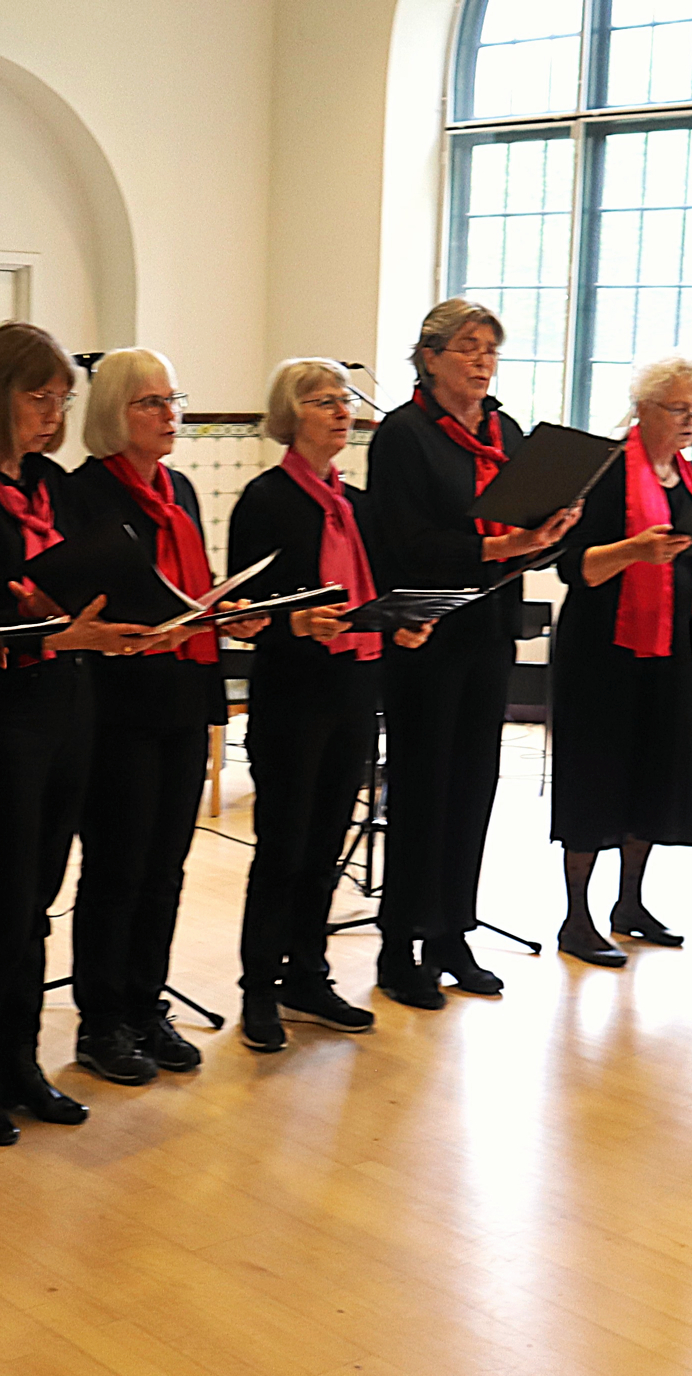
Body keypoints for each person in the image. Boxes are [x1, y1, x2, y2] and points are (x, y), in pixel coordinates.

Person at [0, 323, 155, 1144]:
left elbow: (81, 579)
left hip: (67, 703)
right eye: (36, 398)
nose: (51, 416)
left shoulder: (55, 483)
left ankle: (18, 1063)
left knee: (41, 900)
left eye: (60, 400)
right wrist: (49, 626)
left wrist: (109, 618)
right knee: (3, 903)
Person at [363, 299, 578, 1007]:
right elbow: (404, 544)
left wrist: (554, 529)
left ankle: (452, 934)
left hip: (487, 629)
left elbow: (524, 525)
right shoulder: (403, 436)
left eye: (491, 349)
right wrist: (497, 547)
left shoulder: (506, 430)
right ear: (429, 358)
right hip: (425, 634)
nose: (484, 360)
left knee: (474, 788)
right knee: (423, 791)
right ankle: (399, 948)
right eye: (469, 347)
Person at [228, 358, 431, 1052]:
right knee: (281, 846)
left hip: (352, 690)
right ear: (291, 416)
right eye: (323, 402)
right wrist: (290, 624)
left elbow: (365, 600)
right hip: (292, 694)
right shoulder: (266, 499)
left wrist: (399, 622)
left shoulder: (358, 503)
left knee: (325, 847)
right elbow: (247, 607)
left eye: (344, 401)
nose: (342, 412)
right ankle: (258, 988)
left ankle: (307, 977)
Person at [63, 348, 246, 1083]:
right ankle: (100, 1020)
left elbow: (186, 591)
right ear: (113, 412)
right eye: (152, 403)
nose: (171, 415)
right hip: (117, 704)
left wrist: (224, 615)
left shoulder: (181, 491)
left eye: (174, 399)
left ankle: (145, 1003)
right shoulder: (84, 496)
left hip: (180, 690)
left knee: (167, 864)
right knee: (117, 865)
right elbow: (90, 603)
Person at [543, 353, 692, 966]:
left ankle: (629, 904)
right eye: (679, 409)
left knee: (653, 772)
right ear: (643, 409)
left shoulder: (691, 479)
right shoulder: (606, 471)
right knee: (594, 777)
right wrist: (633, 550)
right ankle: (576, 918)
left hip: (666, 650)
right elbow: (573, 568)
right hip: (600, 648)